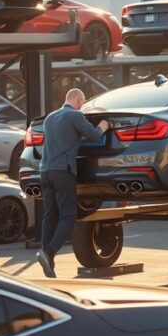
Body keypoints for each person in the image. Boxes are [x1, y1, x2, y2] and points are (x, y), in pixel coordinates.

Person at [36, 88, 109, 277]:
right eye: (82, 102)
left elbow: (63, 138)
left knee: (49, 216)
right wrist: (103, 126)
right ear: (78, 100)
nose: (82, 106)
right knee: (68, 217)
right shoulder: (75, 115)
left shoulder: (50, 118)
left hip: (45, 172)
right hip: (63, 172)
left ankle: (47, 260)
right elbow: (94, 135)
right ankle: (48, 252)